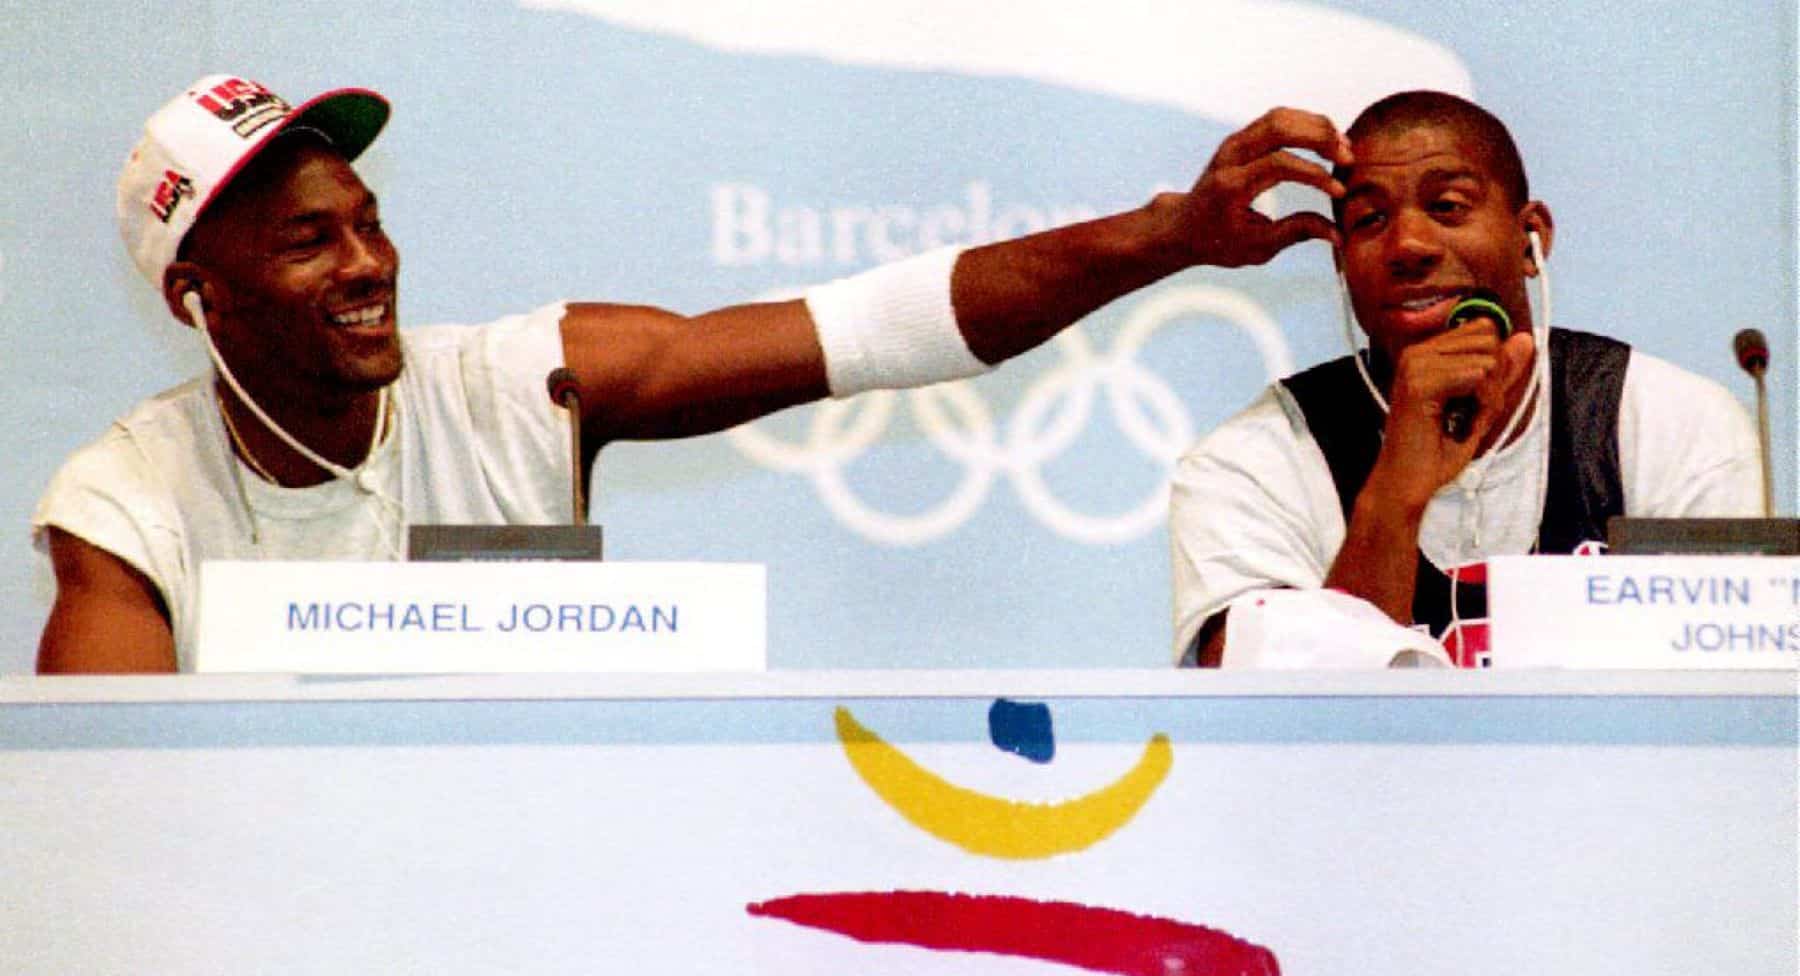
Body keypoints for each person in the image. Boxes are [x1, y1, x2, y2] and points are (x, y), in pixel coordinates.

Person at [35, 74, 1352, 673]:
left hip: (552, 890)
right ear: (196, 296)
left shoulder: (517, 382)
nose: (367, 262)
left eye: (367, 221)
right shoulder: (128, 503)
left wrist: (1169, 233)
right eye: (306, 242)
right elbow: (127, 801)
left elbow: (873, 328)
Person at [1170, 90, 1762, 669]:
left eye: (1448, 206)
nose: (1408, 245)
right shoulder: (1249, 463)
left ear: (1531, 241)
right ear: (1341, 262)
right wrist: (1396, 492)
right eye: (1370, 219)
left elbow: (1725, 707)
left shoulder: (1674, 425)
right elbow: (1270, 734)